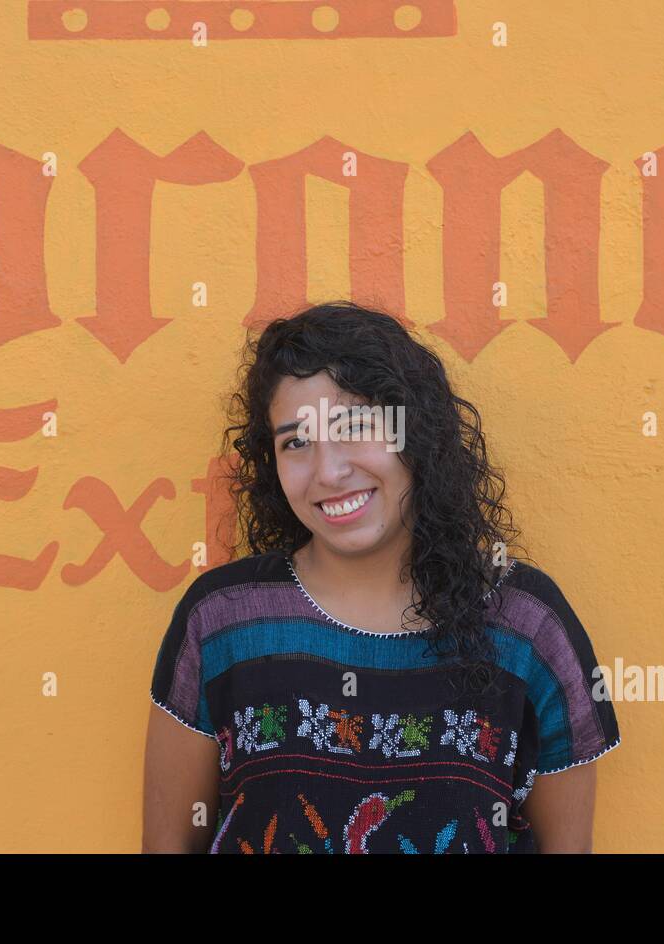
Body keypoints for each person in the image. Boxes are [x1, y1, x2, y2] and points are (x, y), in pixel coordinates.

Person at [142, 300, 621, 854]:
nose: (329, 471)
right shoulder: (223, 623)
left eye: (356, 426)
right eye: (295, 442)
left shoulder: (526, 626)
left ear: (416, 432)